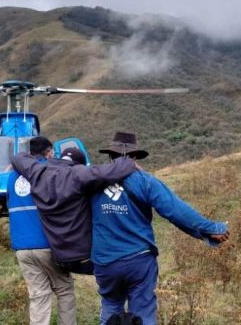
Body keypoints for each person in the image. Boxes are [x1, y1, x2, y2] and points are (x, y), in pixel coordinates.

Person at [91, 132, 230, 325]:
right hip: (138, 260)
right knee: (143, 314)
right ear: (134, 157)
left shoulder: (91, 181)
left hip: (105, 261)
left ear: (110, 156)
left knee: (110, 309)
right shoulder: (145, 180)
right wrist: (210, 228)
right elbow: (175, 209)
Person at [11, 142, 138, 274]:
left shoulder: (38, 172)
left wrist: (36, 162)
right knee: (125, 269)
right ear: (79, 164)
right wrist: (128, 162)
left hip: (59, 258)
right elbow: (108, 173)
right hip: (84, 258)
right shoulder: (77, 173)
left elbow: (18, 158)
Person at [7, 137, 76, 325]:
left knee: (38, 295)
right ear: (50, 152)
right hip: (47, 244)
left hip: (21, 247)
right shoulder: (50, 170)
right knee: (64, 290)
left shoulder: (13, 176)